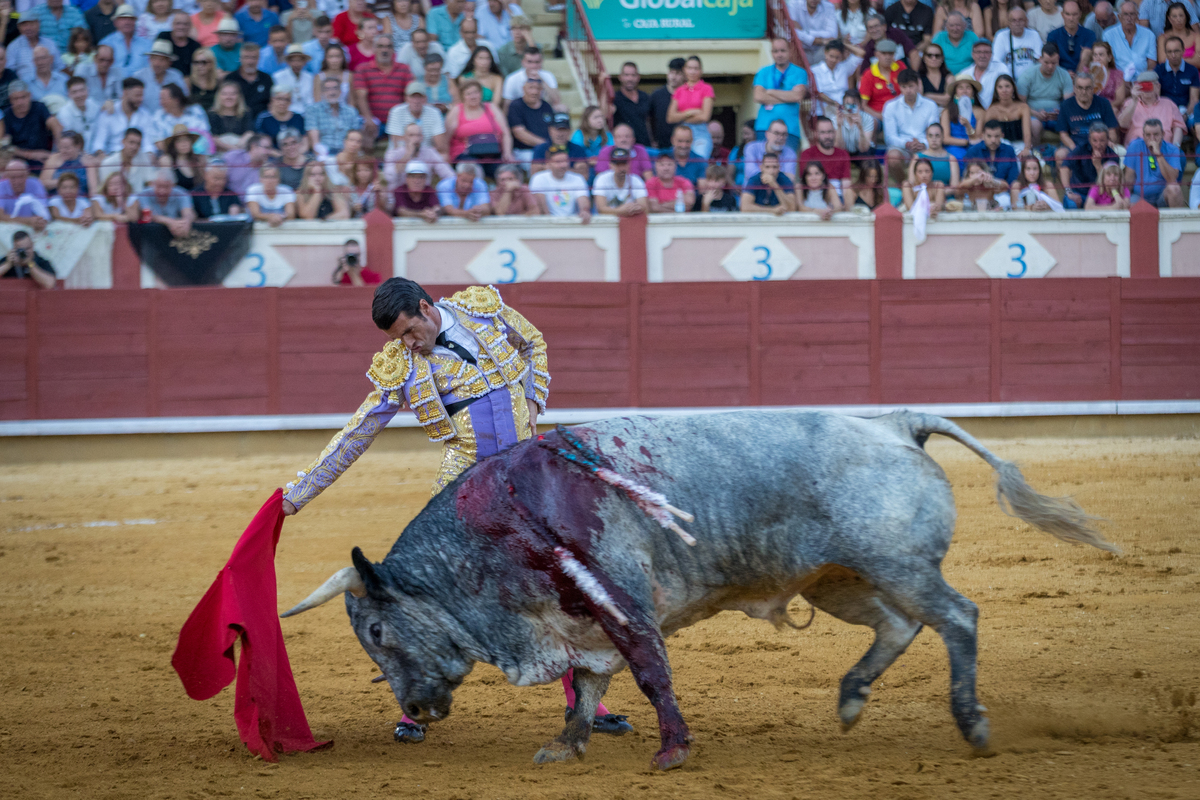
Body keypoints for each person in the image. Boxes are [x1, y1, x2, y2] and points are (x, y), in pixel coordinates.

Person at [445, 79, 511, 180]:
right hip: (465, 154)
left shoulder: (491, 107)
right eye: (469, 94)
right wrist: (446, 157)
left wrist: (507, 153)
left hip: (492, 153)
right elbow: (447, 137)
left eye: (476, 92)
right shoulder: (457, 110)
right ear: (463, 96)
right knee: (474, 170)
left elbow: (505, 133)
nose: (473, 96)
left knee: (506, 172)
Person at [884, 68, 941, 180]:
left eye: (911, 86)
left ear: (918, 84)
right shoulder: (890, 106)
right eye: (904, 87)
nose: (908, 90)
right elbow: (889, 137)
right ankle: (904, 187)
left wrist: (924, 144)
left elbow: (934, 132)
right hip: (902, 147)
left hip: (925, 146)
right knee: (893, 158)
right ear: (899, 87)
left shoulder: (931, 105)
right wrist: (907, 144)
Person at [354, 34, 413, 141]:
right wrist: (368, 118)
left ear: (393, 50)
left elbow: (410, 95)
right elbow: (361, 97)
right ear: (374, 48)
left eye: (388, 46)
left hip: (398, 121)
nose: (385, 50)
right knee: (365, 137)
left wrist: (406, 120)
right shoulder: (363, 69)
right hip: (374, 121)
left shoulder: (404, 69)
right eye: (380, 46)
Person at [753, 39, 808, 150]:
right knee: (764, 163)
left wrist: (770, 92)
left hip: (790, 129)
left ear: (790, 51)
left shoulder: (800, 72)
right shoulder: (763, 71)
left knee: (786, 164)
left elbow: (797, 96)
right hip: (764, 127)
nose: (779, 54)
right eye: (775, 51)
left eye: (782, 51)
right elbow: (758, 96)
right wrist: (788, 96)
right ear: (772, 53)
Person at [1122, 118, 1185, 206]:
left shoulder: (1172, 149)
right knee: (1127, 202)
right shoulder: (1134, 146)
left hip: (1162, 196)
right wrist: (1125, 200)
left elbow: (1172, 179)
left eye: (1156, 134)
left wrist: (1158, 154)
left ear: (1163, 134)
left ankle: (1178, 220)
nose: (1152, 138)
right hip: (1139, 197)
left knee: (1174, 189)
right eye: (1148, 135)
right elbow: (1129, 179)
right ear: (1143, 135)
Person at [1019, 43, 1073, 142]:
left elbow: (1068, 102)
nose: (1050, 66)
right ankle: (1035, 155)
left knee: (1070, 123)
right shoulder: (1027, 75)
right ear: (1040, 59)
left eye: (1054, 63)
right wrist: (1035, 113)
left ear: (1058, 59)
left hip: (1056, 114)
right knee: (1035, 126)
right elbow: (1020, 103)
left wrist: (1061, 113)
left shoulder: (1064, 75)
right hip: (1032, 113)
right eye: (1046, 62)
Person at [1, 81, 60, 169]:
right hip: (17, 160)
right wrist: (30, 154)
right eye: (16, 99)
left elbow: (55, 124)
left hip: (44, 156)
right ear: (10, 100)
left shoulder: (39, 107)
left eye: (23, 97)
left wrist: (56, 153)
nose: (20, 102)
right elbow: (5, 146)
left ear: (29, 95)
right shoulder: (6, 115)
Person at [1059, 120, 1120, 206]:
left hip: (1101, 196)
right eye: (1095, 141)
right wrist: (1069, 192)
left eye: (1102, 141)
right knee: (1071, 203)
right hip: (1080, 193)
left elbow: (1109, 184)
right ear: (1089, 140)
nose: (1098, 145)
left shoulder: (1113, 157)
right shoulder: (1081, 148)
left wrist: (1098, 166)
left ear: (1107, 140)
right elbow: (1064, 167)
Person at [1118, 70, 1186, 145]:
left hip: (1164, 149)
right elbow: (1122, 124)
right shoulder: (1129, 103)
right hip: (1137, 151)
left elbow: (1178, 127)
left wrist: (1175, 146)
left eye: (1148, 85)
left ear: (1158, 86)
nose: (1146, 90)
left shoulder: (1169, 104)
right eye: (1143, 86)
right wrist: (1134, 101)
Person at [963, 119, 1019, 203]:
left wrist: (999, 187)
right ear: (983, 136)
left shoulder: (1009, 151)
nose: (993, 140)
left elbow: (1013, 178)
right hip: (978, 194)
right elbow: (966, 177)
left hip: (1003, 195)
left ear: (1002, 135)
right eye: (989, 136)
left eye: (996, 136)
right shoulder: (973, 151)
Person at [306, 74, 363, 155]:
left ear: (340, 91)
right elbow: (315, 143)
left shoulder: (351, 111)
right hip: (324, 153)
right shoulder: (313, 110)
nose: (332, 92)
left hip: (347, 153)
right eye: (327, 89)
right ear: (322, 92)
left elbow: (355, 138)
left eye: (335, 88)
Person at [529, 145, 590, 220]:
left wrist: (584, 211)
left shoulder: (578, 178)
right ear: (548, 163)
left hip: (572, 223)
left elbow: (583, 200)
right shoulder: (538, 178)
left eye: (565, 161)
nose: (563, 165)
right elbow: (541, 206)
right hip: (548, 223)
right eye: (558, 162)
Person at [386, 82, 447, 154]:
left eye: (419, 97)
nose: (416, 101)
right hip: (401, 154)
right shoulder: (396, 112)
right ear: (406, 98)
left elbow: (440, 144)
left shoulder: (434, 112)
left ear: (425, 98)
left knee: (443, 155)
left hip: (427, 155)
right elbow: (397, 143)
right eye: (413, 97)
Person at [800, 115, 853, 199]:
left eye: (830, 132)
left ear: (834, 132)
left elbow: (846, 183)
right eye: (823, 132)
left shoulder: (843, 154)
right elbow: (806, 181)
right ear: (816, 134)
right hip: (815, 196)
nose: (827, 136)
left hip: (839, 197)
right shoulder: (807, 154)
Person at [132, 168, 196, 237]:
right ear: (153, 184)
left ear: (173, 185)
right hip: (150, 235)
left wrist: (186, 223)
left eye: (166, 187)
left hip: (176, 234)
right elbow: (148, 214)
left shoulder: (182, 193)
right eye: (159, 186)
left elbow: (188, 213)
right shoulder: (144, 194)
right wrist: (170, 222)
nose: (162, 191)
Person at [1102, 1, 1157, 80]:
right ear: (1119, 17)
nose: (1129, 18)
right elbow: (1108, 63)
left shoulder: (1149, 35)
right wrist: (1120, 82)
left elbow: (1151, 64)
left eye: (1132, 14)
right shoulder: (1109, 35)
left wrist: (1144, 80)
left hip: (1142, 80)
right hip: (1118, 81)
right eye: (1125, 14)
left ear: (1137, 16)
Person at [506, 75, 551, 163]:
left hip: (547, 149)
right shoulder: (516, 106)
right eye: (531, 88)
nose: (534, 92)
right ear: (523, 88)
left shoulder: (546, 106)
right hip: (524, 150)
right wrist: (546, 145)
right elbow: (519, 133)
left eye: (538, 89)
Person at [96, 126, 156, 193]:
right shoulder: (108, 163)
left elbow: (151, 183)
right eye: (131, 142)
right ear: (123, 142)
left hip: (139, 201)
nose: (134, 147)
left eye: (138, 144)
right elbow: (104, 190)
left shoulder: (144, 158)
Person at [134, 39, 187, 114]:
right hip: (144, 120)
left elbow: (183, 101)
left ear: (169, 62)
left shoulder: (176, 76)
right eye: (154, 58)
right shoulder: (139, 77)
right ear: (149, 60)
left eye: (162, 60)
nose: (157, 63)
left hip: (169, 119)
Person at [740, 118, 798, 187]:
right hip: (753, 193)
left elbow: (790, 179)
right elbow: (751, 174)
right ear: (767, 134)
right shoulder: (751, 148)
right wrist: (778, 176)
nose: (781, 137)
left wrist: (765, 175)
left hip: (778, 195)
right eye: (776, 133)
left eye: (784, 134)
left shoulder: (790, 153)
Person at [499, 47, 560, 111]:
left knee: (562, 108)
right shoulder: (512, 79)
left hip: (541, 111)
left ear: (541, 62)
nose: (533, 66)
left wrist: (541, 80)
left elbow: (557, 100)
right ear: (523, 62)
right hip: (520, 112)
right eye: (529, 62)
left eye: (537, 62)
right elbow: (507, 105)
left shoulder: (548, 76)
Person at [592, 147, 648, 217]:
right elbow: (601, 209)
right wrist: (621, 211)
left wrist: (637, 208)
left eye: (624, 164)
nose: (622, 168)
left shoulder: (636, 180)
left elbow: (644, 207)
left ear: (629, 165)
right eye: (618, 165)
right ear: (611, 165)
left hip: (630, 222)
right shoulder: (601, 179)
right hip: (606, 224)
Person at [984, 74, 1033, 152]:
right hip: (1000, 148)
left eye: (1007, 86)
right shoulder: (991, 110)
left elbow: (1027, 133)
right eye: (1000, 87)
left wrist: (1026, 148)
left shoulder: (1023, 107)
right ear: (996, 90)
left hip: (1020, 145)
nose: (1004, 90)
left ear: (1013, 88)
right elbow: (986, 134)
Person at [858, 38, 903, 124]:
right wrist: (882, 116)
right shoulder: (868, 74)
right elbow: (863, 105)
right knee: (872, 123)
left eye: (890, 54)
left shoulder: (900, 67)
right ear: (876, 54)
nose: (887, 57)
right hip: (877, 115)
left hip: (900, 113)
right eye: (883, 53)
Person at [530, 113, 588, 179]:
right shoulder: (540, 149)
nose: (560, 134)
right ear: (550, 130)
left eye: (564, 129)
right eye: (557, 129)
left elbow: (584, 175)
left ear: (570, 131)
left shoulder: (578, 149)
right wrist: (570, 170)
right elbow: (535, 173)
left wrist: (549, 168)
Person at [993, 7, 1044, 80]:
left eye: (1020, 20)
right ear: (1008, 22)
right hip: (1010, 82)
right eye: (1013, 20)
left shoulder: (1034, 35)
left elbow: (1040, 60)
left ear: (1026, 21)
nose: (1017, 23)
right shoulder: (1001, 36)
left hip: (1031, 80)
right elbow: (996, 62)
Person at [813, 40, 862, 115]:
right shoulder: (815, 70)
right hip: (826, 109)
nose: (834, 60)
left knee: (862, 117)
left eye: (837, 57)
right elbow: (819, 93)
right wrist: (837, 105)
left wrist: (843, 44)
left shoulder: (845, 67)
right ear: (825, 53)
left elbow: (861, 53)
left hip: (846, 108)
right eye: (831, 56)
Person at [957, 37, 1008, 108]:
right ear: (973, 55)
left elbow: (1008, 92)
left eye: (986, 52)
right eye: (978, 52)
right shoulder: (964, 73)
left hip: (997, 113)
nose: (982, 56)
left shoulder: (1001, 69)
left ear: (991, 55)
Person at [1156, 36, 1200, 117]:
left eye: (1176, 51)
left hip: (1186, 111)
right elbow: (1156, 98)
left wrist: (1186, 115)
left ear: (1183, 51)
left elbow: (1194, 100)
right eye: (1169, 52)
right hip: (1164, 111)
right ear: (1165, 53)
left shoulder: (1192, 70)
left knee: (1195, 124)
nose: (1173, 55)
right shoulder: (1158, 70)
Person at [1047, 1, 1095, 74]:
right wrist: (1065, 75)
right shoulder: (1053, 35)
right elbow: (1051, 60)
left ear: (1080, 14)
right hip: (1059, 76)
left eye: (1074, 14)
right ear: (1062, 15)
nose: (1071, 18)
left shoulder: (1089, 35)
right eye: (1067, 14)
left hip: (1084, 76)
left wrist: (1077, 76)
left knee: (1086, 53)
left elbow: (1087, 61)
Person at [100, 4, 150, 74]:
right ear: (115, 23)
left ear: (135, 22)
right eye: (123, 19)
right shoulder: (106, 43)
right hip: (115, 82)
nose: (127, 22)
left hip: (140, 83)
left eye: (130, 19)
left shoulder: (146, 44)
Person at [229, 42, 274, 119]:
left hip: (261, 121)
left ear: (259, 59)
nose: (250, 62)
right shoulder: (231, 79)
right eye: (246, 57)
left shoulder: (266, 79)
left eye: (254, 57)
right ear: (240, 58)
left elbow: (272, 103)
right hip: (236, 121)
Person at [612, 61, 651, 148]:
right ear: (620, 77)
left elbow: (650, 121)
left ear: (638, 77)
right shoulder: (615, 98)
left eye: (633, 75)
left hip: (646, 147)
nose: (630, 79)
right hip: (625, 147)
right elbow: (605, 115)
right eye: (626, 75)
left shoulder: (645, 96)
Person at [56, 77, 102, 149]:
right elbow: (69, 142)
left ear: (88, 90)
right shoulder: (64, 114)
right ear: (68, 94)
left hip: (95, 151)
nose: (79, 95)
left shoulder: (94, 105)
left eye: (82, 90)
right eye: (74, 92)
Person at [649, 57, 684, 150]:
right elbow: (648, 119)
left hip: (682, 148)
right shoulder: (657, 95)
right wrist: (652, 140)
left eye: (678, 73)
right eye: (671, 72)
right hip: (660, 147)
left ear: (684, 76)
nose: (673, 77)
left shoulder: (688, 95)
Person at [156, 123, 203, 192]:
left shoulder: (197, 160)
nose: (184, 144)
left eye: (186, 140)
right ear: (174, 144)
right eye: (179, 141)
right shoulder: (167, 160)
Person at [790, 0, 839, 66]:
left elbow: (832, 34)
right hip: (801, 47)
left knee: (833, 51)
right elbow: (793, 32)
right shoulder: (794, 4)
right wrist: (820, 40)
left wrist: (805, 32)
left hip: (821, 49)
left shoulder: (829, 6)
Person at [40, 129, 89, 194]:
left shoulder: (87, 160)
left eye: (67, 148)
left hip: (81, 199)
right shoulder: (54, 158)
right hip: (57, 199)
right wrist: (63, 182)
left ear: (78, 146)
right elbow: (42, 183)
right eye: (61, 147)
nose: (63, 151)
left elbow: (93, 188)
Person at [274, 44, 315, 116]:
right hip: (287, 114)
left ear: (304, 62)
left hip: (307, 114)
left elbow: (311, 100)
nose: (296, 64)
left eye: (299, 60)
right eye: (293, 61)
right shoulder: (278, 77)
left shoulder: (310, 77)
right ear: (288, 62)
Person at [1156, 4, 1200, 70]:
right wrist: (1190, 60)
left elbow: (1198, 61)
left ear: (1186, 16)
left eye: (1181, 15)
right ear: (1169, 19)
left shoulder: (1197, 36)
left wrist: (1174, 60)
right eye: (1174, 16)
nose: (1178, 19)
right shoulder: (1162, 38)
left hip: (1194, 76)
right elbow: (1163, 61)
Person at [159, 10, 201, 77]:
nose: (181, 27)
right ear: (172, 25)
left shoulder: (195, 46)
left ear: (190, 26)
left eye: (185, 24)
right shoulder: (163, 37)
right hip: (164, 78)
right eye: (178, 23)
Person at [571, 105, 612, 171]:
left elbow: (612, 153)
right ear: (586, 120)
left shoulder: (608, 135)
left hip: (604, 168)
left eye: (602, 117)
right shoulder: (578, 134)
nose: (600, 120)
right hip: (585, 169)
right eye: (596, 117)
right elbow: (576, 155)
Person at [1089, 40, 1129, 107]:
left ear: (1109, 57)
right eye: (1095, 55)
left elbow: (1120, 99)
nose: (1097, 58)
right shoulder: (1086, 73)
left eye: (1101, 55)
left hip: (1110, 108)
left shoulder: (1117, 74)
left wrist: (1105, 108)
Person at [918, 42, 953, 106]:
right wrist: (942, 98)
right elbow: (919, 99)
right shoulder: (918, 76)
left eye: (937, 56)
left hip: (945, 112)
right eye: (929, 55)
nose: (934, 58)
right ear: (924, 58)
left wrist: (927, 95)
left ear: (942, 58)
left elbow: (948, 99)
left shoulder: (949, 76)